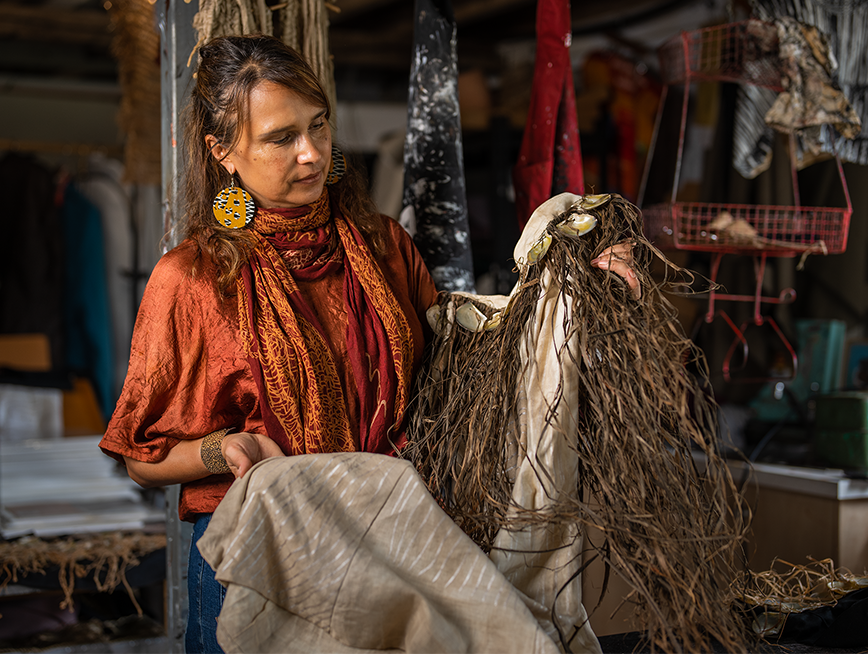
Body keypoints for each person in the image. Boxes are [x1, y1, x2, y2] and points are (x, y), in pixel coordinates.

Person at [99, 34, 640, 654]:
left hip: (390, 547)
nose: (311, 154)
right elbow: (143, 457)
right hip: (256, 564)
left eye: (319, 126)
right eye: (281, 138)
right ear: (222, 151)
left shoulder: (382, 245)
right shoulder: (194, 279)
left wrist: (569, 274)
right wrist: (227, 449)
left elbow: (463, 362)